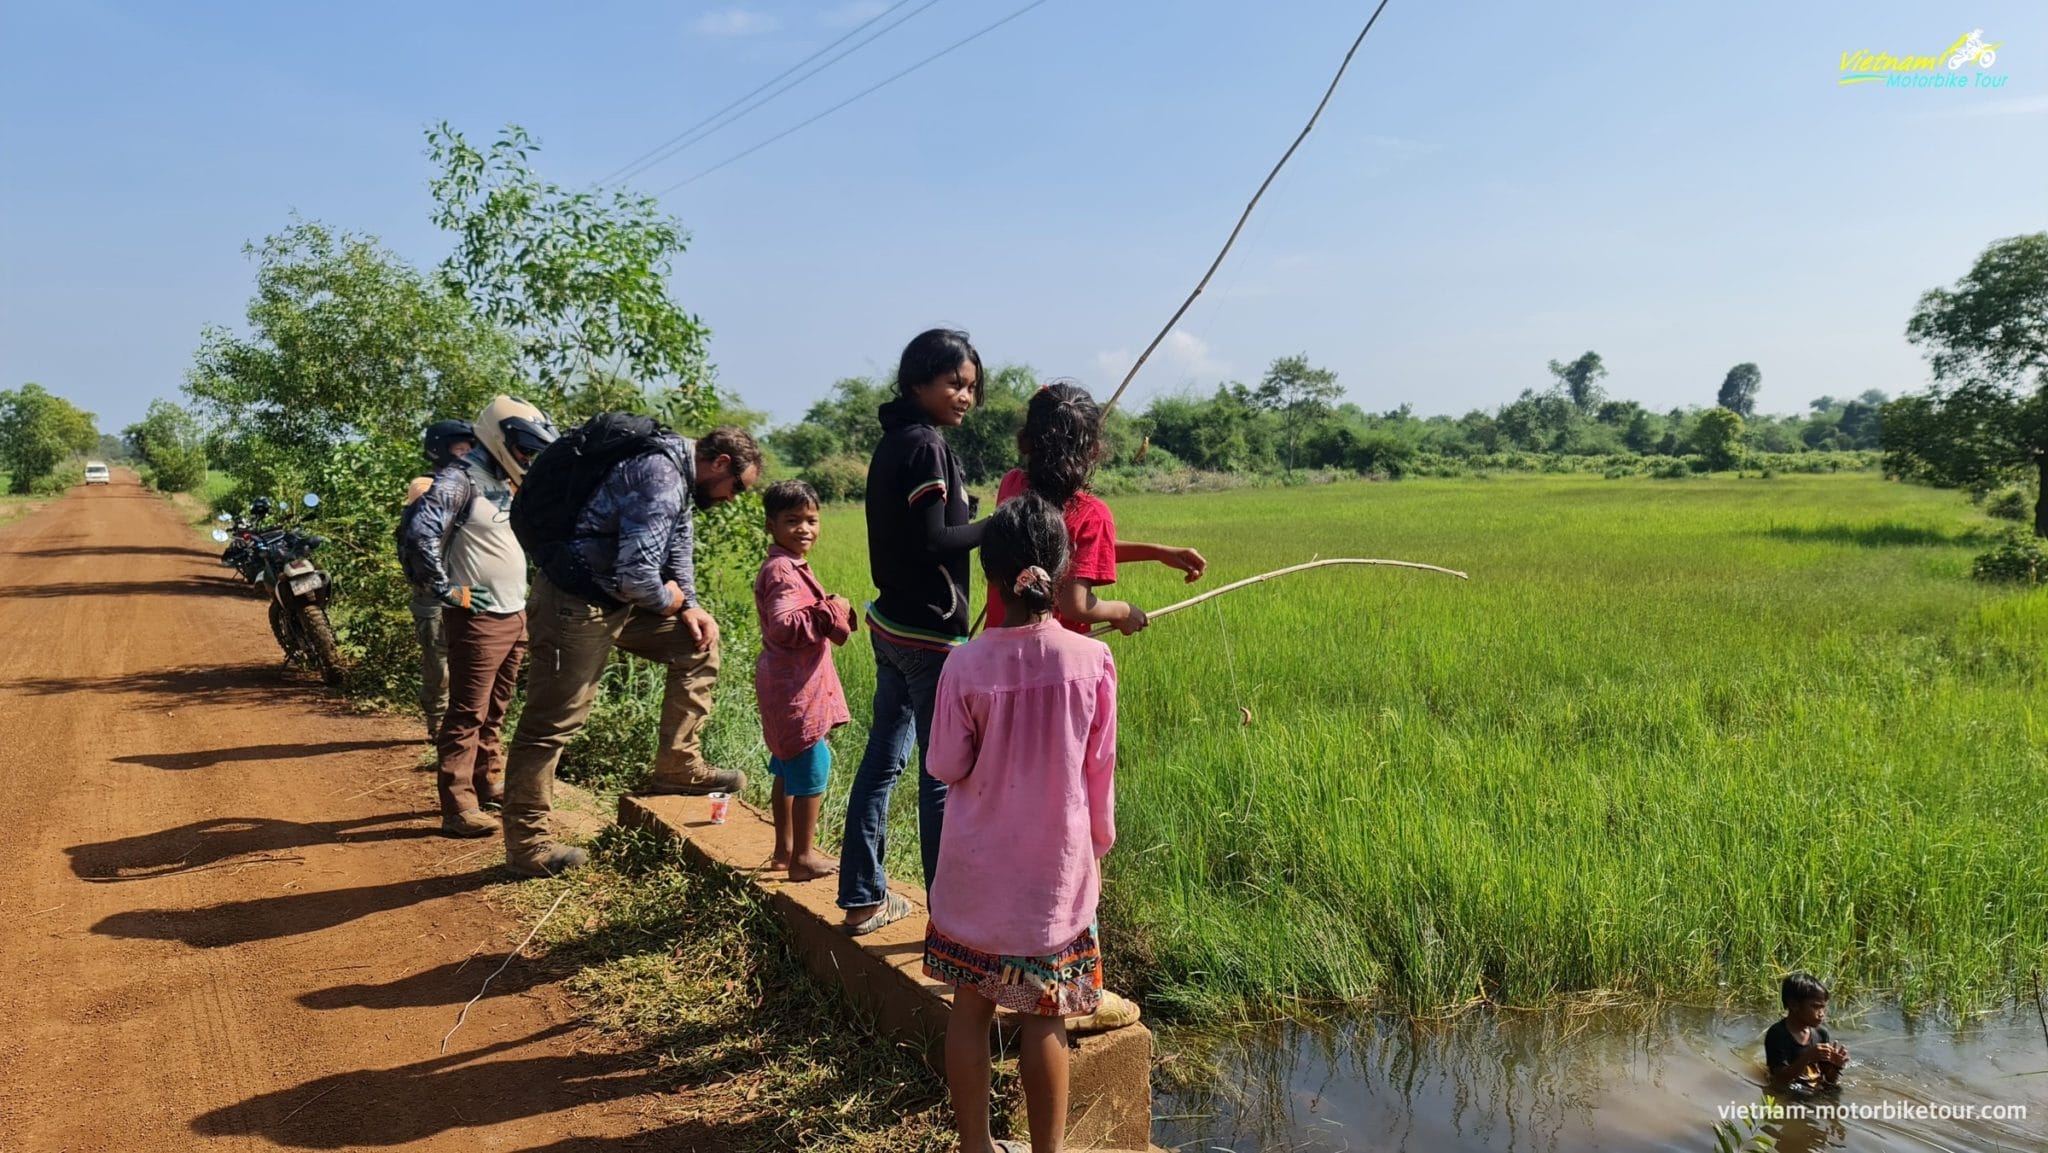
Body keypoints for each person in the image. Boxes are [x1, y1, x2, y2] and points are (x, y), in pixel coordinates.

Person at [923, 492, 1117, 1153]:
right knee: (1046, 1017)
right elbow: (1100, 774)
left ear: (990, 575)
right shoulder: (1091, 661)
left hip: (977, 876)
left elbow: (946, 761)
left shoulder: (964, 662)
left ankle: (976, 1146)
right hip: (1053, 877)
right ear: (1061, 571)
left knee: (970, 1010)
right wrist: (1100, 849)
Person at [500, 420, 762, 877]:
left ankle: (678, 766)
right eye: (735, 486)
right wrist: (671, 601)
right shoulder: (660, 476)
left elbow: (677, 543)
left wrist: (691, 608)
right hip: (576, 603)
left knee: (695, 644)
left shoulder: (679, 472)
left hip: (614, 600)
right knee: (552, 721)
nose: (731, 497)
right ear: (720, 463)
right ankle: (528, 844)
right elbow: (638, 576)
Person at [839, 328, 986, 935]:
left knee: (882, 761)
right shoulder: (926, 446)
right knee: (939, 776)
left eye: (972, 387)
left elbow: (923, 529)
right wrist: (999, 527)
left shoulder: (896, 439)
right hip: (928, 637)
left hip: (891, 625)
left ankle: (862, 898)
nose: (965, 397)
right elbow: (932, 542)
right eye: (954, 383)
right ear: (919, 381)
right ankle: (948, 921)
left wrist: (966, 514)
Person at [400, 398, 555, 838]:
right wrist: (446, 590)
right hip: (477, 619)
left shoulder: (502, 480)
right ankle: (457, 805)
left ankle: (487, 781)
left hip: (513, 612)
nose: (527, 456)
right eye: (522, 446)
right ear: (497, 435)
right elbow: (420, 532)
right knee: (467, 711)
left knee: (496, 709)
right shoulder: (458, 478)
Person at [984, 382, 1206, 634]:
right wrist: (1122, 611)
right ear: (1094, 449)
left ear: (1027, 439)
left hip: (995, 653)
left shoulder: (1011, 486)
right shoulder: (1091, 513)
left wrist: (1156, 552)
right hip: (1054, 663)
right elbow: (1075, 606)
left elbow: (1067, 547)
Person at [754, 480, 853, 881]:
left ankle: (784, 851)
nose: (804, 529)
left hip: (785, 685)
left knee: (785, 769)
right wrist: (834, 608)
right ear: (771, 526)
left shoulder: (787, 565)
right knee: (812, 770)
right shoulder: (782, 569)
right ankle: (804, 859)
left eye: (811, 520)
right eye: (792, 521)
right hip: (797, 690)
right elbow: (783, 625)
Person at [402, 419, 476, 740]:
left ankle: (463, 727)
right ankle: (437, 726)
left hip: (471, 586)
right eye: (460, 449)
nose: (467, 456)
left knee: (472, 660)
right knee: (438, 664)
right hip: (435, 588)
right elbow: (422, 534)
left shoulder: (482, 484)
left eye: (471, 449)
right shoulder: (425, 485)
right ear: (439, 452)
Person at [1764, 971, 1849, 1090]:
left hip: (1813, 1090)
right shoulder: (1778, 1034)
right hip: (1791, 1092)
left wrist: (1835, 1067)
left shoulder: (1821, 1033)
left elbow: (1829, 1080)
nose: (1821, 1014)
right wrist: (1808, 1056)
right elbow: (1779, 1079)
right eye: (1815, 1007)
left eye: (1823, 1007)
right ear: (1793, 1004)